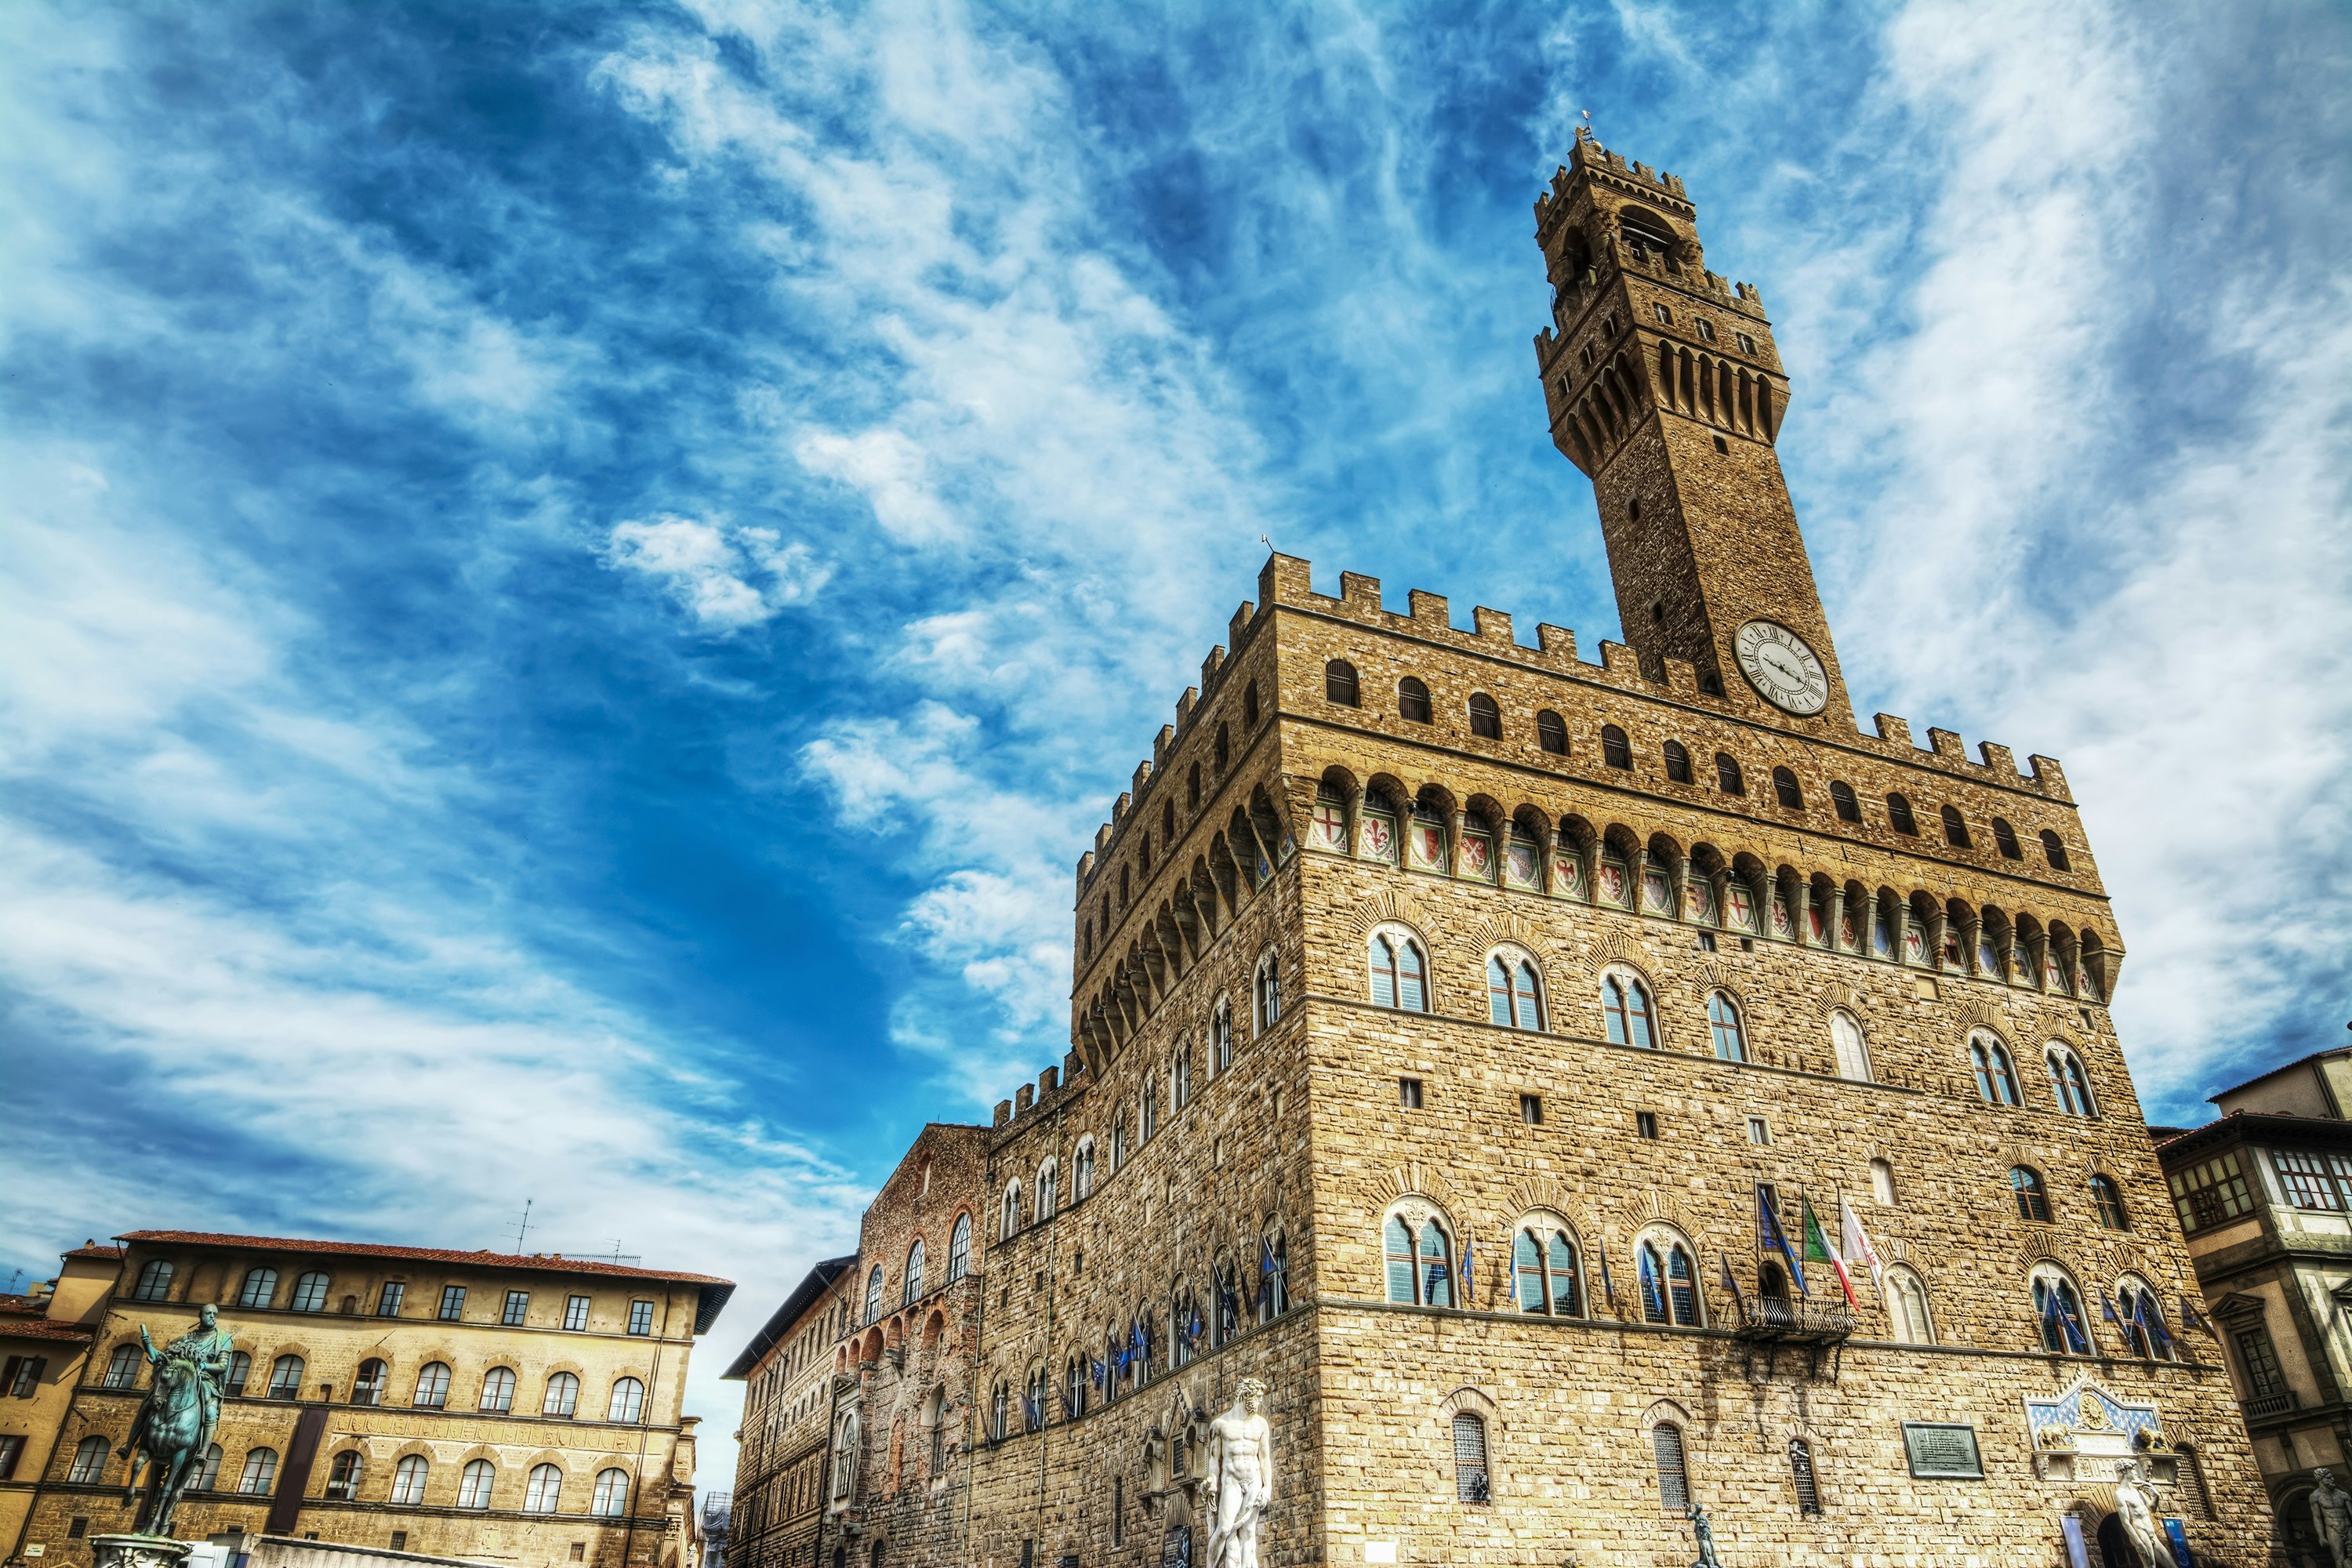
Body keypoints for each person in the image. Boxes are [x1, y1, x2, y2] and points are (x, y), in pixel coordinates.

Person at [1203, 1379, 1274, 1568]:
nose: (1260, 1402)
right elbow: (1214, 1459)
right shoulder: (1220, 1425)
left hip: (1254, 1479)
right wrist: (1212, 1481)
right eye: (1258, 1397)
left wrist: (1268, 1487)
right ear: (1245, 1396)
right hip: (1231, 1480)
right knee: (1224, 1529)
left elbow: (1265, 1459)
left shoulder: (1261, 1425)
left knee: (1249, 1531)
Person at [2111, 1457, 2164, 1568]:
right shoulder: (2120, 1494)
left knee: (2172, 1565)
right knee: (2151, 1566)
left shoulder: (2137, 1491)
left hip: (2151, 1532)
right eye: (2133, 1470)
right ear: (2124, 1472)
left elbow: (2152, 1509)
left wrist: (2156, 1496)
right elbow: (2125, 1522)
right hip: (2140, 1532)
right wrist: (2138, 1543)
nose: (2136, 1472)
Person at [2314, 1467, 2352, 1568]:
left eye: (2331, 1477)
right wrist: (2321, 1536)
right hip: (2333, 1529)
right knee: (2339, 1559)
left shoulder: (2344, 1495)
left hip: (2348, 1528)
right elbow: (2317, 1518)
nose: (2332, 1480)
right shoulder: (2316, 1497)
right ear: (2321, 1480)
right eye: (2328, 1478)